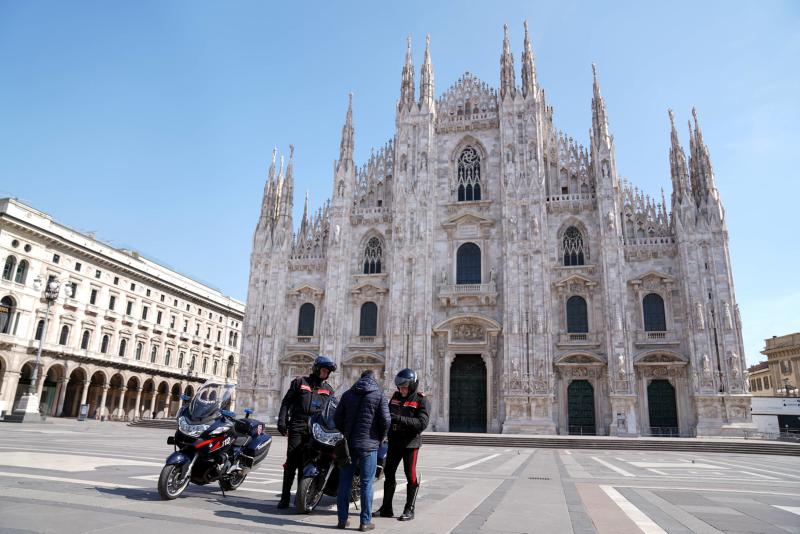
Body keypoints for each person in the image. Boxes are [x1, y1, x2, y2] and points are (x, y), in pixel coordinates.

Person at [276, 355, 336, 509]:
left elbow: (332, 411)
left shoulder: (329, 390)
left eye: (327, 371)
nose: (325, 373)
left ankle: (300, 496)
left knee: (307, 462)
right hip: (298, 425)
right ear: (316, 369)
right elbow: (286, 402)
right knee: (292, 461)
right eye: (323, 370)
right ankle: (284, 497)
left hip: (316, 428)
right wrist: (282, 420)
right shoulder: (300, 382)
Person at [333, 370, 390, 531]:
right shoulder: (378, 395)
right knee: (366, 483)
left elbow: (336, 418)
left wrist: (346, 432)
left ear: (361, 378)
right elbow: (386, 420)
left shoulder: (347, 394)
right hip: (369, 446)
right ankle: (365, 522)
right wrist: (380, 436)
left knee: (344, 482)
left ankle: (342, 520)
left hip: (349, 445)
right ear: (374, 379)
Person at [376, 368, 429, 521]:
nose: (401, 390)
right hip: (394, 441)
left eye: (404, 387)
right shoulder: (396, 397)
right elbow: (388, 415)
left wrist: (399, 419)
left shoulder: (421, 400)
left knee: (410, 475)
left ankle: (409, 509)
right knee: (389, 474)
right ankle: (386, 508)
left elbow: (422, 423)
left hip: (410, 444)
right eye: (400, 387)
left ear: (412, 385)